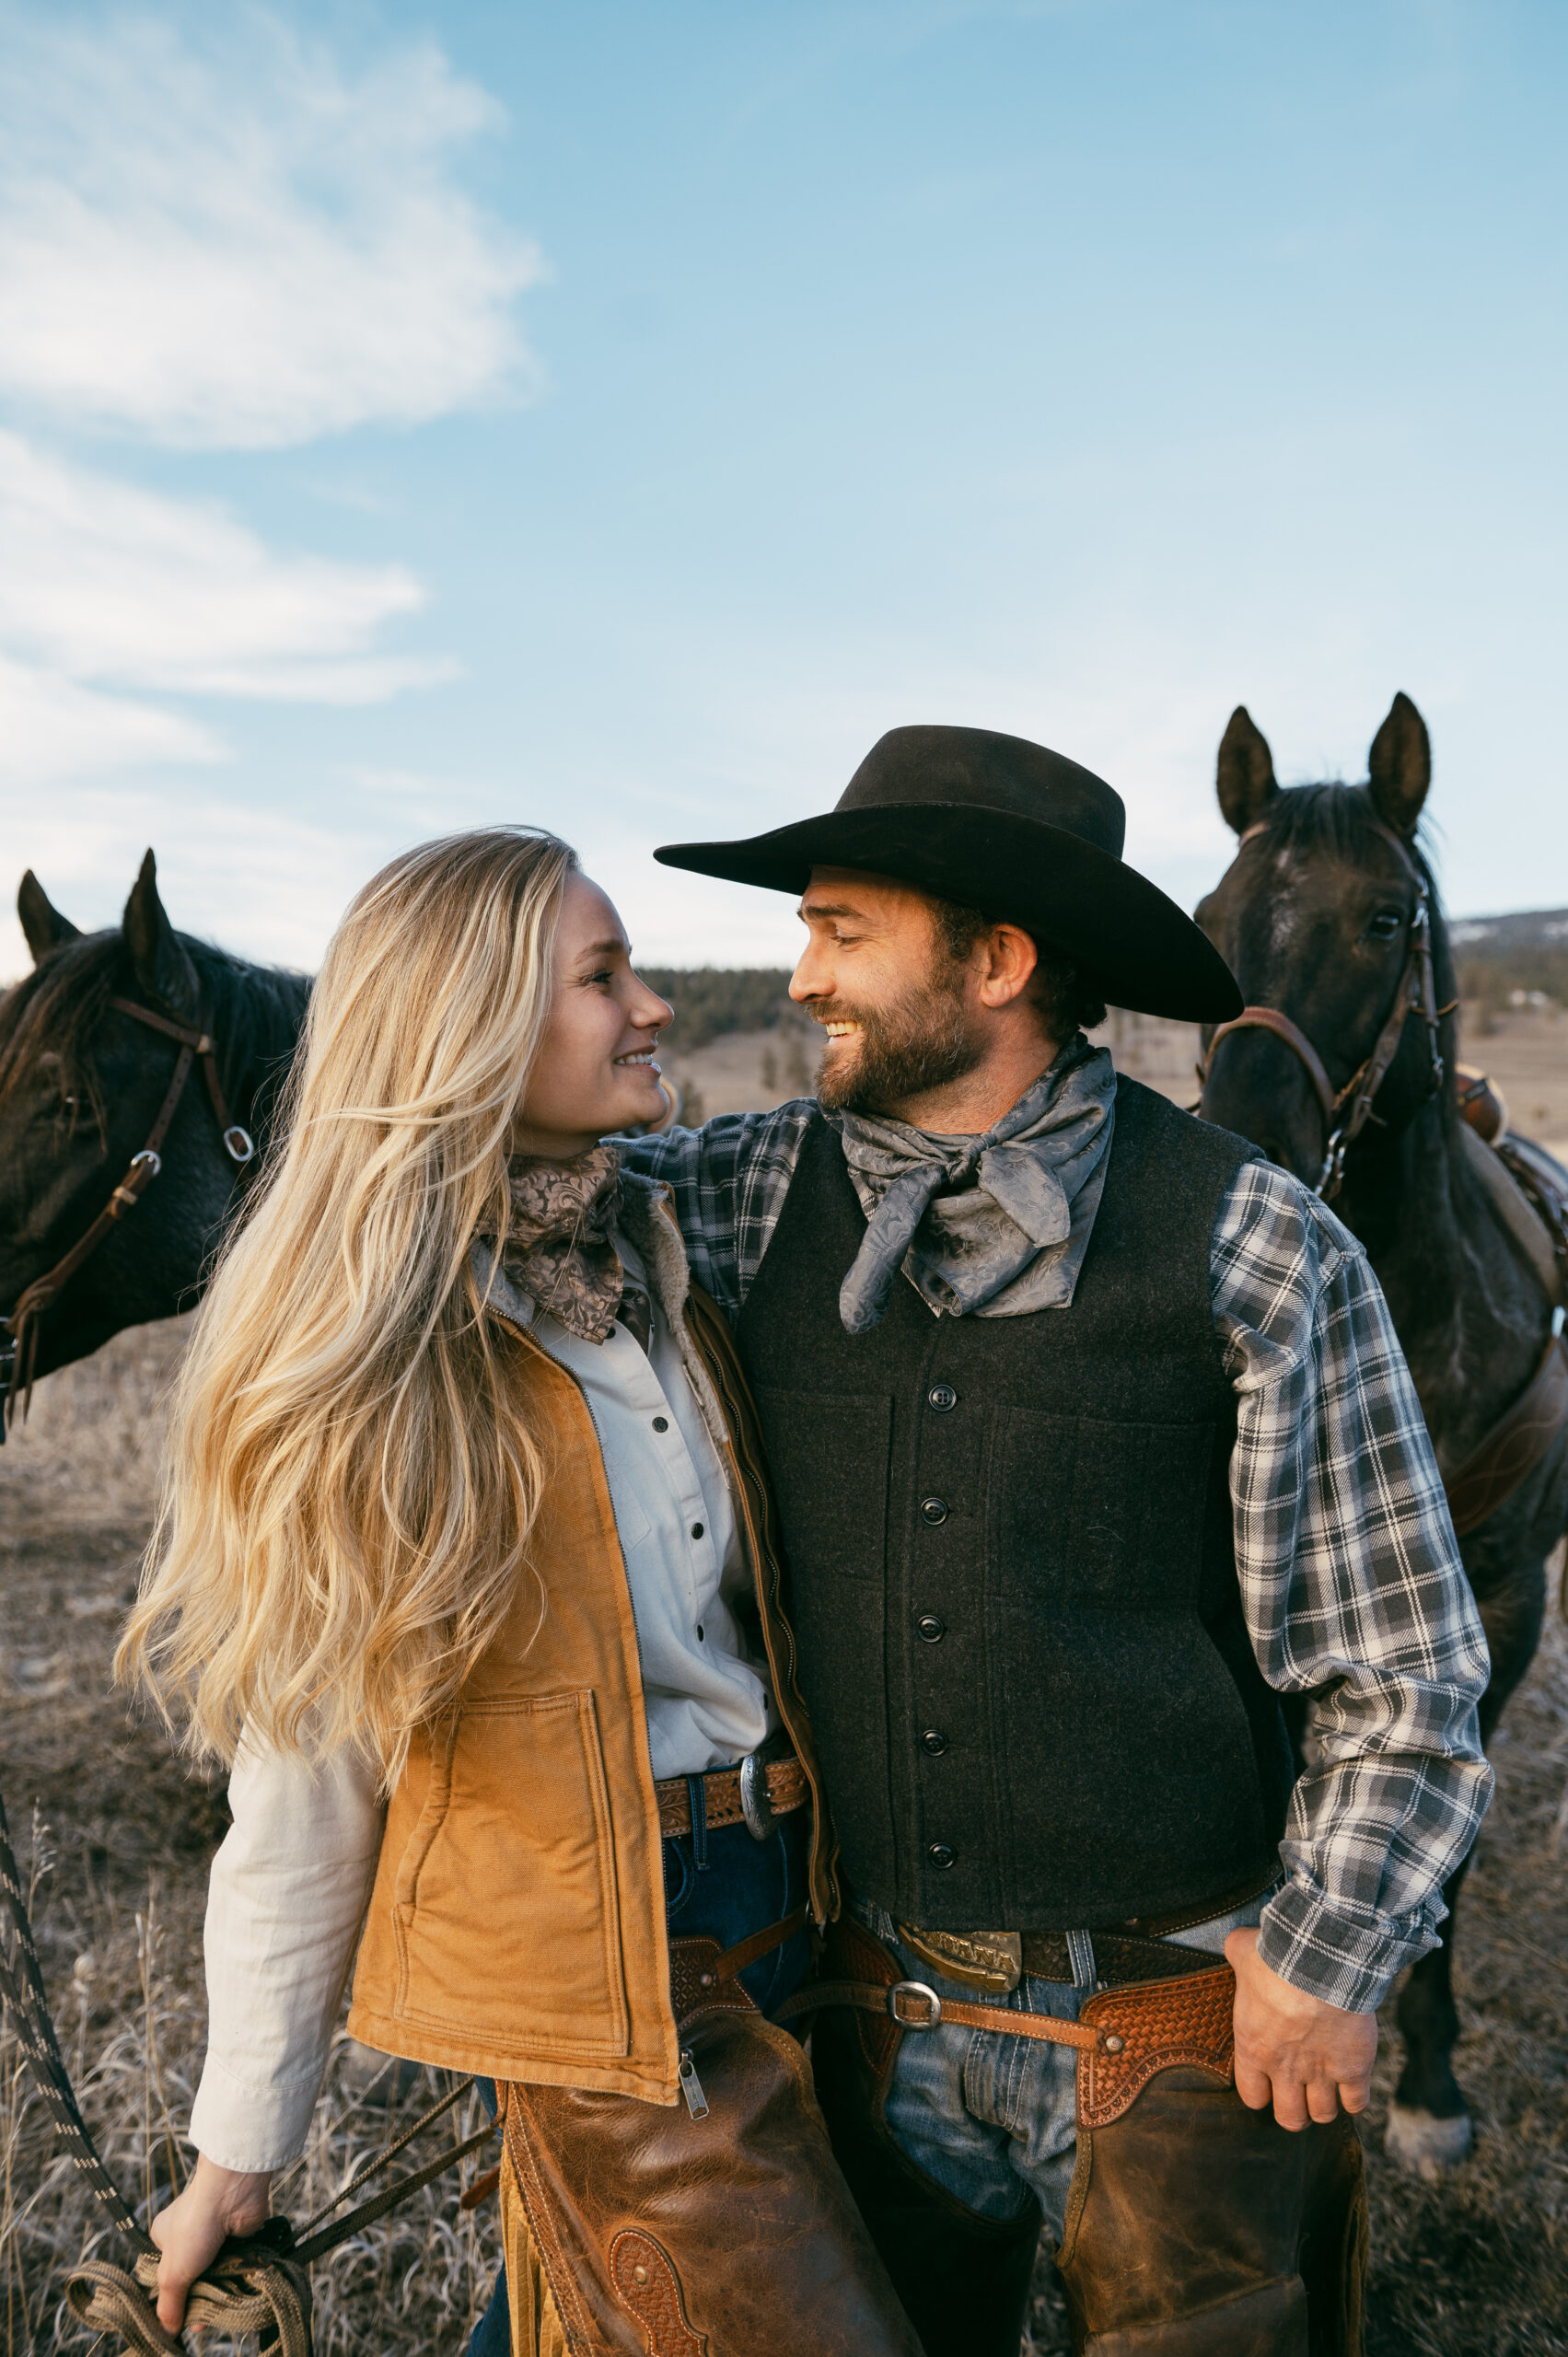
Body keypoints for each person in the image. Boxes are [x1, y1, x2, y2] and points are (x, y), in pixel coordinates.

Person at [621, 725, 1494, 2357]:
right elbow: (462, 1195)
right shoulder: (738, 1197)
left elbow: (1408, 1673)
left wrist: (1327, 1958)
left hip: (1174, 2022)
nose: (799, 977)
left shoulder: (1256, 1242)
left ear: (1000, 960)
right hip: (864, 2017)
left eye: (839, 930)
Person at [120, 828, 921, 2357]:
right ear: (476, 1026)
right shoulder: (378, 1370)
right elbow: (305, 1781)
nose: (657, 1008)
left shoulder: (662, 1263)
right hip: (600, 1962)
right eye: (602, 977)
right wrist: (243, 2144)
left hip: (794, 1921)